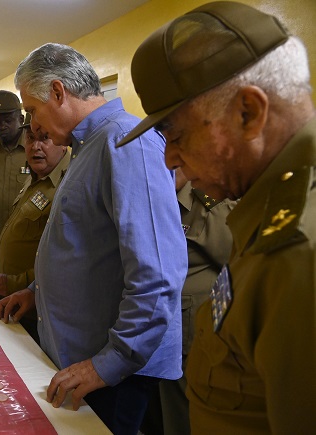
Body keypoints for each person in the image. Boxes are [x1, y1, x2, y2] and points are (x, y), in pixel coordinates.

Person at [117, 2, 316, 433]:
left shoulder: (299, 252)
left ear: (248, 113)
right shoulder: (269, 207)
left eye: (176, 133)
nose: (168, 158)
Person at [0, 43, 187, 435]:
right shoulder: (88, 145)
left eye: (32, 110)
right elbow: (84, 242)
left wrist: (110, 362)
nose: (33, 126)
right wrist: (37, 289)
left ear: (57, 91)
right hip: (82, 355)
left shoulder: (125, 143)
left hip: (110, 371)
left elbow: (158, 273)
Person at [141, 168, 236, 435]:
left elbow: (234, 256)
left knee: (181, 419)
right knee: (151, 416)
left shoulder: (206, 202)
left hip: (187, 337)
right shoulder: (147, 195)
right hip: (149, 329)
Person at [0, 113, 70, 343]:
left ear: (62, 141)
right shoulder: (37, 177)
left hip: (38, 306)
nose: (35, 146)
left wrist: (16, 283)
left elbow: (65, 260)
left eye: (44, 138)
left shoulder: (67, 187)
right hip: (17, 300)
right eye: (30, 138)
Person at [0, 90, 28, 272]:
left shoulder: (36, 147)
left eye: (8, 120)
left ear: (21, 118)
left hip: (25, 236)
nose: (2, 126)